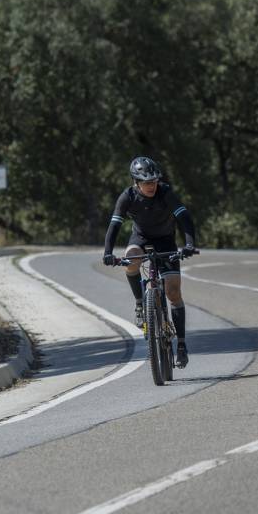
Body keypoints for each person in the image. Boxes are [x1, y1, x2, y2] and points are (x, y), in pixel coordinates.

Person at [102, 156, 198, 367]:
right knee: (131, 258)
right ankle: (139, 303)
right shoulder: (127, 197)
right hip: (141, 238)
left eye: (154, 181)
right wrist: (108, 252)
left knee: (173, 291)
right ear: (136, 182)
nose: (151, 186)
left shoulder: (165, 193)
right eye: (146, 183)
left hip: (166, 241)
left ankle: (181, 345)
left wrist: (189, 244)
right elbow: (115, 225)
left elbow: (184, 219)